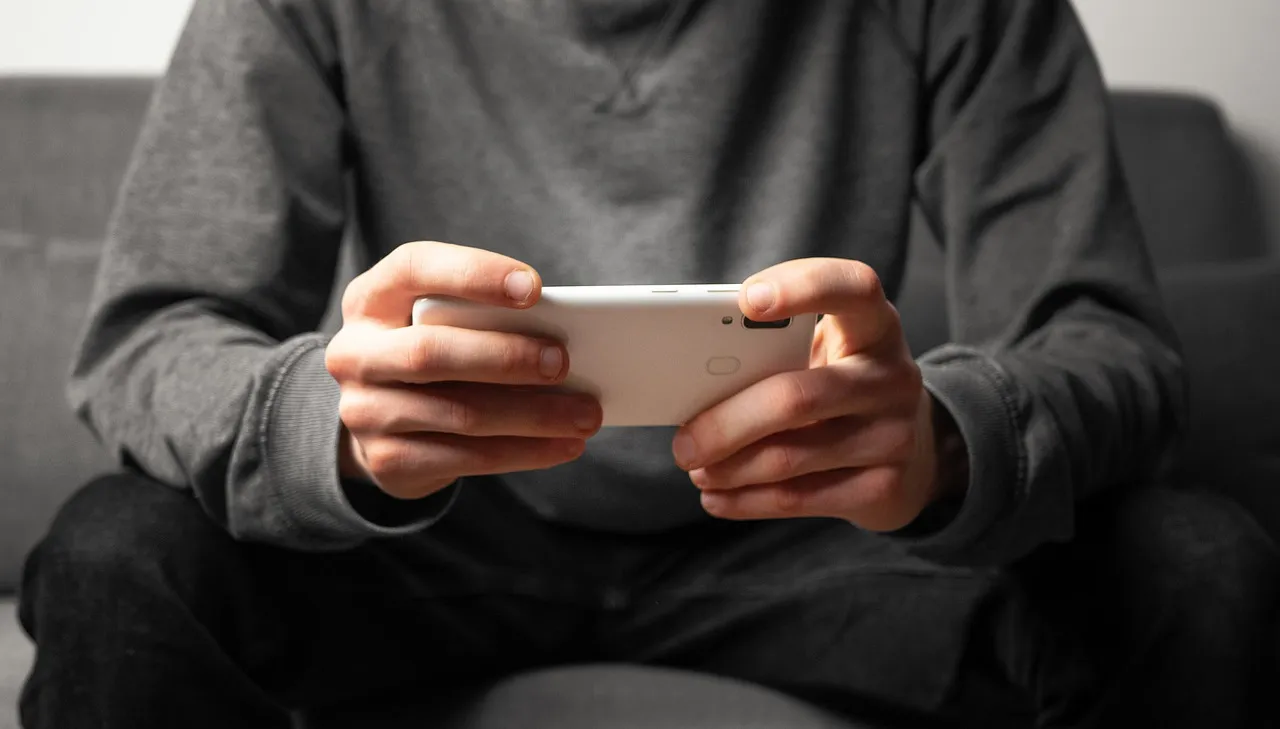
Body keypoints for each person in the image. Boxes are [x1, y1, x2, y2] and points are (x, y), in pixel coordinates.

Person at [17, 0, 1279, 726]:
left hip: (820, 540)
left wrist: (943, 443)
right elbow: (154, 334)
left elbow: (1107, 341)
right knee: (116, 554)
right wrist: (328, 429)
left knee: (1198, 566)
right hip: (434, 542)